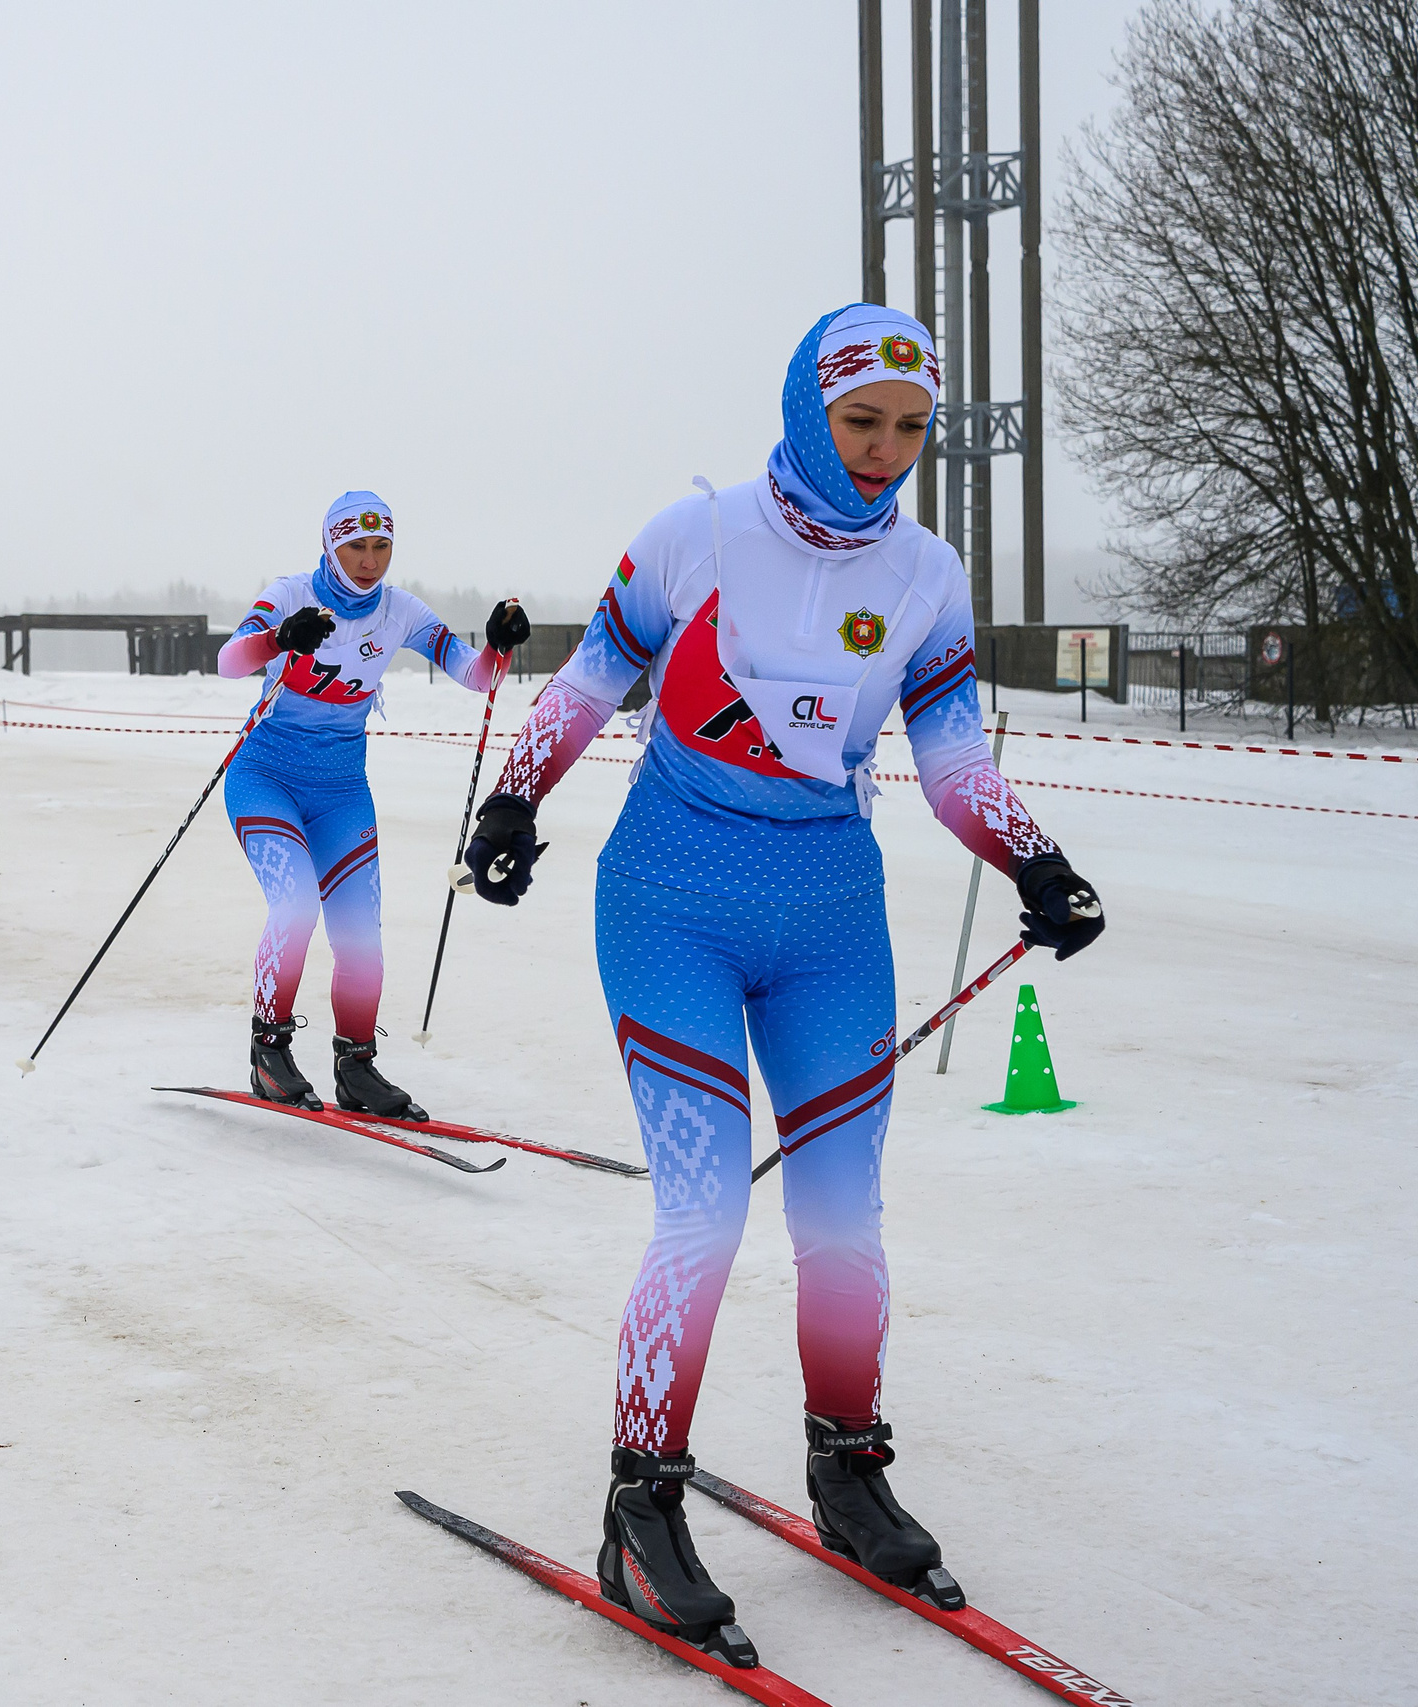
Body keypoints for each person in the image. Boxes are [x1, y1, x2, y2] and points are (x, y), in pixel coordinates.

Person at [462, 307, 1104, 1662]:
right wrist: (513, 802)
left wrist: (1035, 856)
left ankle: (846, 1459)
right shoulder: (700, 533)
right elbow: (592, 675)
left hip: (830, 915)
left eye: (910, 428)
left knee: (841, 1216)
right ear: (813, 410)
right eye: (862, 422)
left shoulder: (929, 572)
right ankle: (642, 1498)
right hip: (670, 900)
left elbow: (948, 759)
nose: (882, 453)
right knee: (701, 1211)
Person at [218, 491, 531, 1118]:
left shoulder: (399, 610)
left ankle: (356, 1067)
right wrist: (279, 638)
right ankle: (268, 1051)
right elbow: (229, 662)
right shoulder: (289, 593)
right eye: (355, 547)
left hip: (340, 791)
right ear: (331, 545)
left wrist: (499, 643)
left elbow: (477, 675)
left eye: (381, 546)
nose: (369, 561)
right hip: (265, 776)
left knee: (361, 936)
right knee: (297, 905)